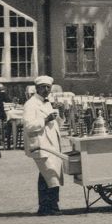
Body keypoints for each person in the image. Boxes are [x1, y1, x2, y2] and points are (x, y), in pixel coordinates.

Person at [23, 75, 64, 215]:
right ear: (37, 88)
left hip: (51, 144)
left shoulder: (47, 103)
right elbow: (28, 126)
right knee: (50, 174)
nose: (46, 90)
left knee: (48, 174)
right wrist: (45, 119)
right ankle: (49, 207)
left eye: (48, 87)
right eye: (43, 87)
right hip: (41, 144)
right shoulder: (31, 104)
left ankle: (48, 206)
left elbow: (57, 123)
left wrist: (60, 113)